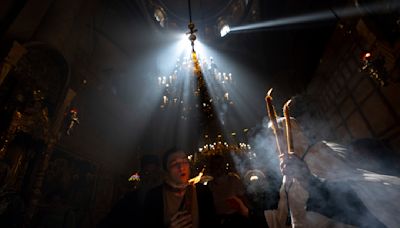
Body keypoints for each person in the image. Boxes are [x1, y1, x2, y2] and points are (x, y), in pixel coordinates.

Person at [265, 117, 400, 228]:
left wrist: (307, 179)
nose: (274, 146)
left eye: (277, 135)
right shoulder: (288, 174)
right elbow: (286, 214)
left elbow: (342, 198)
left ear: (291, 134)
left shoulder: (319, 153)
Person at [142, 148, 216, 228]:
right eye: (174, 164)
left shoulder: (203, 192)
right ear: (166, 171)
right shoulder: (154, 196)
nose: (181, 167)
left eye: (184, 162)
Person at [98, 154, 163, 228]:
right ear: (141, 175)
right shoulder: (129, 199)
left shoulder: (165, 202)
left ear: (159, 176)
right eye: (146, 173)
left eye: (154, 174)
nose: (150, 179)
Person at [207, 154, 250, 227]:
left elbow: (244, 199)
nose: (218, 167)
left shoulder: (233, 180)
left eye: (220, 164)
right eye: (215, 164)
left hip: (236, 220)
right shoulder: (210, 185)